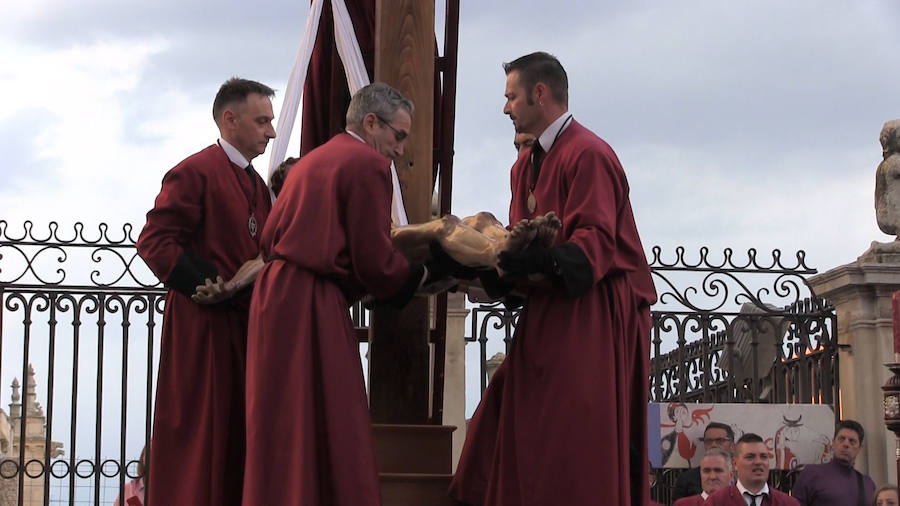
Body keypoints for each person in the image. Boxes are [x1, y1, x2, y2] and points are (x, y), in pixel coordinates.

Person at [448, 51, 657, 505]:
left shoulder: (589, 153)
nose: (505, 108)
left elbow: (595, 248)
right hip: (551, 308)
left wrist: (524, 263)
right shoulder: (523, 164)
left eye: (511, 96)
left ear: (539, 94)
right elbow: (521, 250)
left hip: (593, 313)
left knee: (574, 437)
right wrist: (489, 267)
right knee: (506, 418)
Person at [242, 82, 460, 505]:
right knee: (331, 420)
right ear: (371, 123)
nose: (400, 150)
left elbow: (276, 238)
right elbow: (373, 256)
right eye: (397, 136)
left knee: (284, 424)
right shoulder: (365, 163)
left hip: (275, 298)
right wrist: (426, 275)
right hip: (311, 303)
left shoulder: (314, 160)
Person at [136, 77, 275, 505]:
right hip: (203, 330)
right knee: (203, 437)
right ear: (229, 119)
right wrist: (210, 283)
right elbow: (154, 242)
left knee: (243, 439)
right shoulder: (194, 171)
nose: (271, 131)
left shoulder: (260, 187)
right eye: (262, 121)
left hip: (246, 329)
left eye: (271, 121)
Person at [791, 419, 876, 506]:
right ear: (833, 443)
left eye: (852, 441)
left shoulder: (867, 484)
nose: (846, 444)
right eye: (841, 439)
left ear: (859, 448)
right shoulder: (811, 474)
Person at [706, 433, 799, 506]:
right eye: (750, 457)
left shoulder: (788, 503)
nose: (758, 462)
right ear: (735, 463)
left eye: (763, 457)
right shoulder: (716, 502)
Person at [673, 421, 736, 500]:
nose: (713, 445)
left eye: (720, 441)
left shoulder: (745, 476)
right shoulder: (686, 479)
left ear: (732, 446)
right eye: (709, 441)